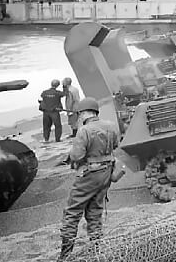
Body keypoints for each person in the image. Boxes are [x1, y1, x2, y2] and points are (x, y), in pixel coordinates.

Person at [58, 98, 120, 260]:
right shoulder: (111, 126)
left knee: (72, 212)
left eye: (79, 114)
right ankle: (96, 249)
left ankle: (65, 255)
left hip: (89, 175)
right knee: (95, 212)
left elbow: (77, 155)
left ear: (84, 113)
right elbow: (115, 145)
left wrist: (72, 158)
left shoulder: (84, 130)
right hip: (106, 173)